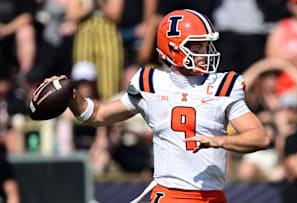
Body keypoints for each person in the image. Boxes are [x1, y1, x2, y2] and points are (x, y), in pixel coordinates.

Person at [43, 9, 269, 202]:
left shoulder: (222, 85)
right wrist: (72, 95)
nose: (205, 54)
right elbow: (98, 114)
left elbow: (260, 137)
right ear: (173, 50)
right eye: (197, 47)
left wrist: (219, 141)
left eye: (206, 46)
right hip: (169, 195)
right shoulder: (151, 84)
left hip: (211, 196)